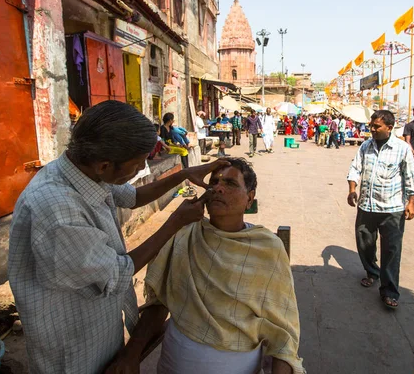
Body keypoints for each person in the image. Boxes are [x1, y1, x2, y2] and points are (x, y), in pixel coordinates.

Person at [7, 101, 229, 374]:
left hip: (98, 322)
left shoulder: (83, 170)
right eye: (137, 165)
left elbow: (134, 197)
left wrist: (183, 174)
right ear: (105, 165)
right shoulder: (57, 209)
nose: (141, 169)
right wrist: (175, 223)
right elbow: (117, 272)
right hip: (72, 342)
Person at [105, 158, 304, 374]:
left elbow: (284, 331)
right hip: (174, 361)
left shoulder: (267, 248)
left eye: (230, 183)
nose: (218, 188)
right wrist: (131, 354)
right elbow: (160, 301)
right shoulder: (184, 234)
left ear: (250, 198)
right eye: (214, 182)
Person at [347, 110, 414, 310]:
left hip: (393, 208)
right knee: (365, 243)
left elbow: (411, 176)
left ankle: (389, 291)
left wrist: (411, 202)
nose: (372, 129)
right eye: (371, 125)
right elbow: (355, 168)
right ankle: (372, 271)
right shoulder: (365, 146)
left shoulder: (402, 148)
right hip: (367, 206)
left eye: (377, 126)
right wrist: (352, 189)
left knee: (392, 250)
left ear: (389, 127)